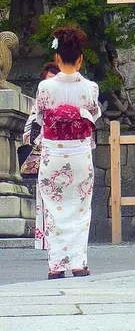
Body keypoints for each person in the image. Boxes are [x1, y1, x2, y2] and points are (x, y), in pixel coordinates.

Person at [35, 27, 101, 279]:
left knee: (54, 206)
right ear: (81, 58)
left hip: (54, 152)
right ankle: (78, 262)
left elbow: (41, 118)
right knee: (80, 206)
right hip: (80, 152)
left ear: (57, 59)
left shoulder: (45, 87)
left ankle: (56, 264)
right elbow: (93, 116)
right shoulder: (91, 88)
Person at [23, 62, 60, 251]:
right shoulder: (42, 96)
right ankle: (46, 240)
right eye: (48, 79)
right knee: (46, 194)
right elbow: (32, 121)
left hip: (64, 146)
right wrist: (31, 139)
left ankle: (63, 239)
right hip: (47, 145)